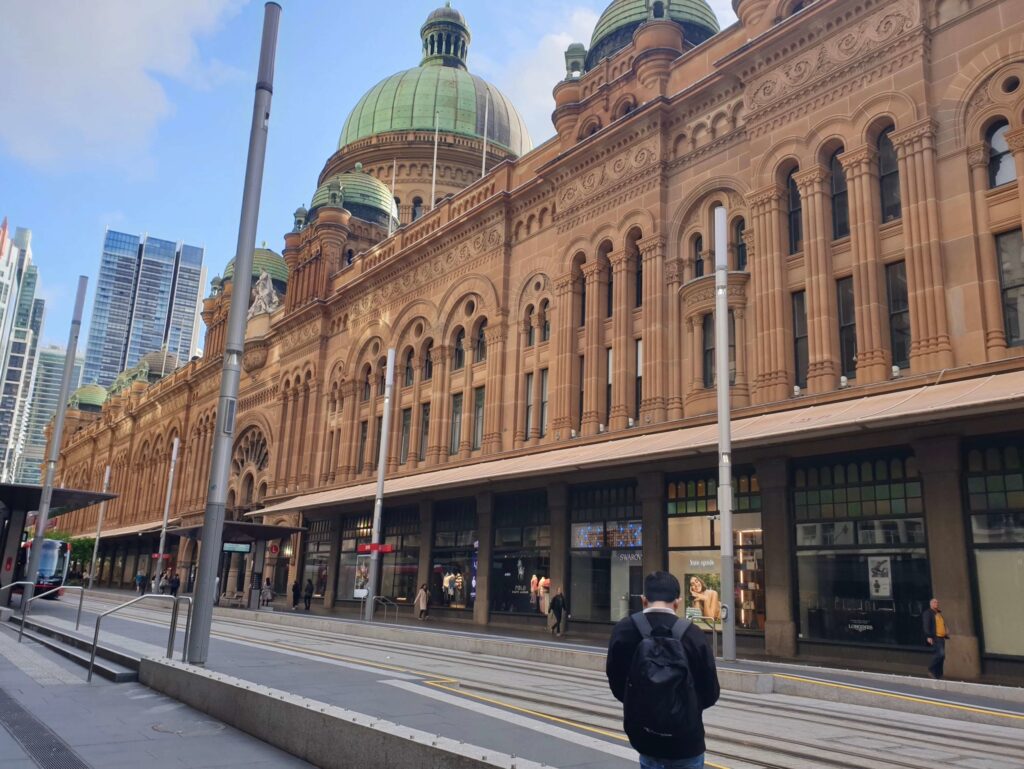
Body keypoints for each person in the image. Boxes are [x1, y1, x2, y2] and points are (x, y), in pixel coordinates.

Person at [606, 571, 720, 769]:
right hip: (687, 740)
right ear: (678, 602)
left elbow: (617, 683)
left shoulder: (624, 630)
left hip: (645, 736)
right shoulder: (693, 634)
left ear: (643, 600)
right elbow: (710, 692)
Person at [922, 597, 950, 679]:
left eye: (937, 602)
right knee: (940, 654)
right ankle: (931, 669)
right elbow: (926, 625)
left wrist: (946, 630)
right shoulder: (928, 613)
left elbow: (941, 624)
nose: (936, 604)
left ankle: (938, 674)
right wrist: (928, 636)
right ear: (930, 604)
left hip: (942, 637)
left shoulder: (938, 613)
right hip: (935, 637)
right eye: (934, 602)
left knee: (942, 656)